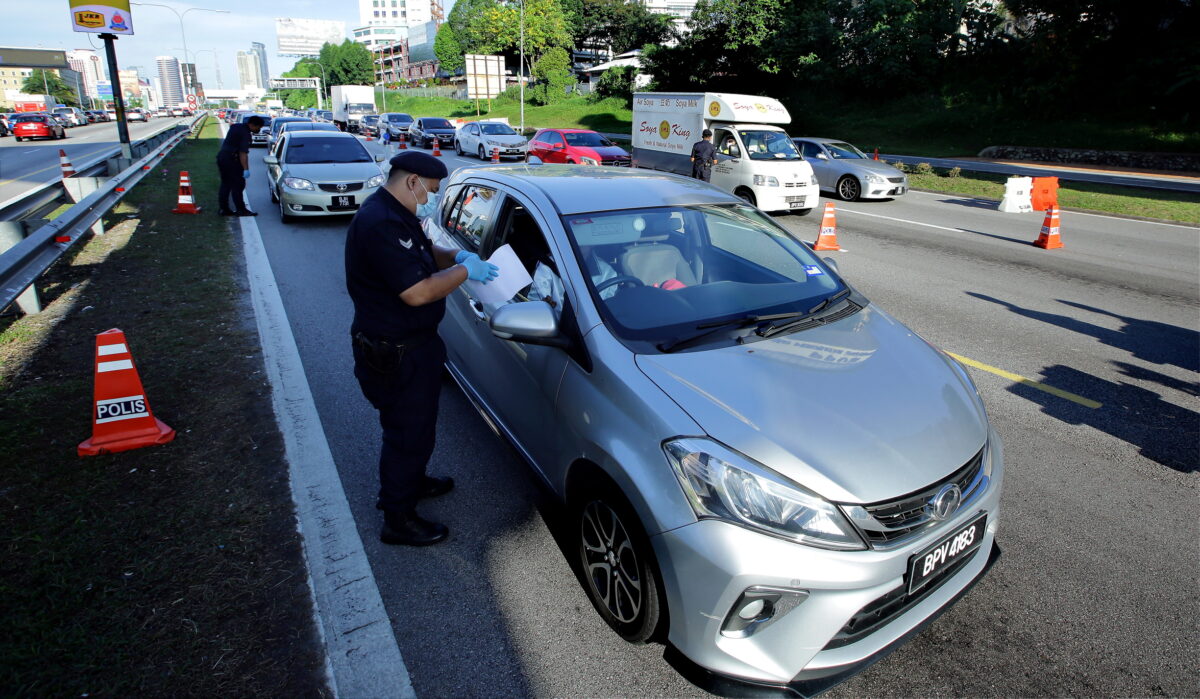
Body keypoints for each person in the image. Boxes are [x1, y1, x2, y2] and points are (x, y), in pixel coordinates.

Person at [345, 150, 500, 547]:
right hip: (394, 353)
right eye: (431, 189)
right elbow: (415, 292)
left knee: (418, 429)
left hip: (415, 347)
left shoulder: (397, 214)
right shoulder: (378, 222)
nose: (432, 196)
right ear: (412, 181)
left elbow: (425, 254)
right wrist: (466, 272)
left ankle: (412, 480)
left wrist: (458, 256)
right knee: (406, 435)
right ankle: (397, 518)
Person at [216, 115, 264, 216]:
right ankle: (241, 210)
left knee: (225, 184)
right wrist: (246, 169)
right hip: (232, 160)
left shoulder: (236, 126)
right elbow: (243, 153)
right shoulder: (245, 134)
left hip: (222, 157)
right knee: (238, 185)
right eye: (258, 127)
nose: (259, 130)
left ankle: (224, 209)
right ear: (252, 125)